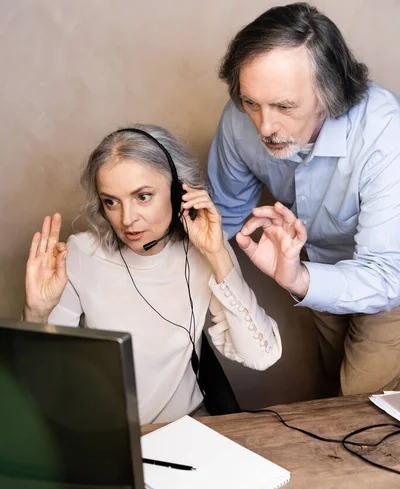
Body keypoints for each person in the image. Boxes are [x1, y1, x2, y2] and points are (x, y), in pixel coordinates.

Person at [23, 125, 282, 424]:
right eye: (111, 201)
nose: (127, 219)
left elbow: (262, 356)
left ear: (178, 191)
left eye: (143, 196)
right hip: (108, 433)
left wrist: (216, 254)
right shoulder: (80, 253)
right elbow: (40, 385)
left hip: (189, 426)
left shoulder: (205, 251)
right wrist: (36, 312)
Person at [208, 2, 400, 396]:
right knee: (330, 390)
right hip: (318, 264)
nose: (264, 126)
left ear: (330, 96)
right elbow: (222, 214)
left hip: (389, 276)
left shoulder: (384, 131)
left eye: (284, 106)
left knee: (362, 406)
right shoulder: (238, 118)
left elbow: (386, 276)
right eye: (251, 103)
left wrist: (297, 278)